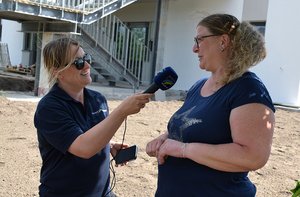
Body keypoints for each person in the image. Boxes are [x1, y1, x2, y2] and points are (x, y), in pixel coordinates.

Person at [146, 13, 275, 197]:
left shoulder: (248, 89)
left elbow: (253, 156)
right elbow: (197, 125)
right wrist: (166, 138)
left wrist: (183, 150)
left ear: (223, 41)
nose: (194, 48)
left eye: (199, 40)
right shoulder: (199, 86)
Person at [34, 37, 152, 197]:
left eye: (86, 58)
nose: (88, 65)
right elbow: (83, 147)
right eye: (78, 63)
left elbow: (88, 133)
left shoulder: (98, 100)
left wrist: (108, 145)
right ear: (58, 71)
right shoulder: (49, 108)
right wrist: (122, 110)